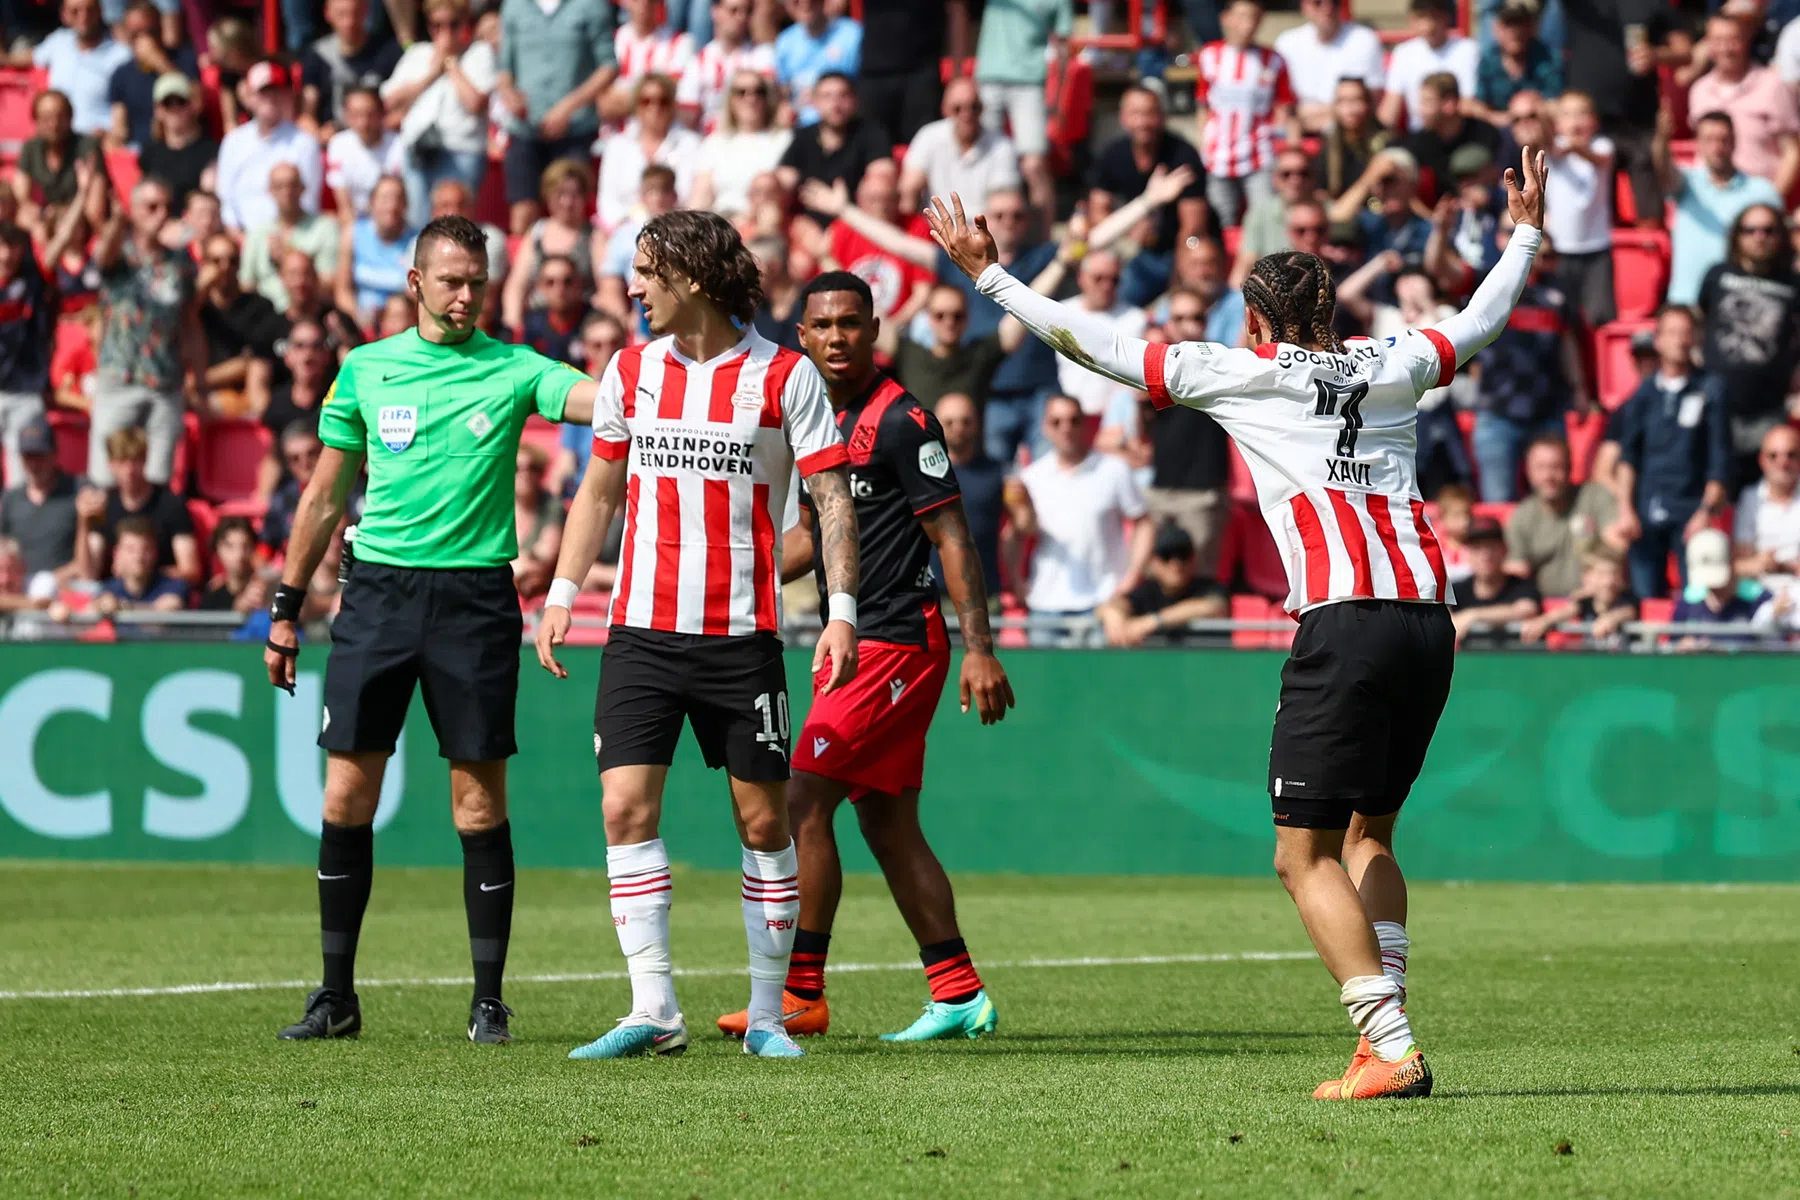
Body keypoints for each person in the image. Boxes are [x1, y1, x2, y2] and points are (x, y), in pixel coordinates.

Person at [924, 141, 1557, 1099]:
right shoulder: (1395, 362)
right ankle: (1384, 1033)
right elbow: (1483, 317)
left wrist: (989, 274)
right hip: (1429, 620)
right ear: (1333, 312)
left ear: (1257, 320)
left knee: (1298, 853)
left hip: (1344, 621)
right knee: (1370, 838)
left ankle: (1388, 1046)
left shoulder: (1241, 371)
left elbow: (1089, 342)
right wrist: (1525, 232)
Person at [264, 213, 602, 1046]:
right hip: (376, 597)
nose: (465, 297)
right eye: (450, 281)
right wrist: (284, 607)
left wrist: (679, 367)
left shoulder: (516, 368)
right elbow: (323, 497)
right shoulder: (365, 370)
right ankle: (335, 996)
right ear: (414, 283)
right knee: (347, 795)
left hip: (475, 603)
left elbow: (603, 401)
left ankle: (489, 1001)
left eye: (477, 283)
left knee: (476, 805)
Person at [534, 210, 859, 1063]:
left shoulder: (784, 378)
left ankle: (764, 1017)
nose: (632, 289)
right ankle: (654, 1009)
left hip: (741, 637)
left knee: (762, 826)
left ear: (695, 278)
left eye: (646, 272)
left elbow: (830, 502)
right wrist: (564, 590)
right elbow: (599, 492)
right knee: (623, 807)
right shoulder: (630, 370)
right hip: (639, 629)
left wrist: (842, 612)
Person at [713, 269, 1013, 1041]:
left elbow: (953, 537)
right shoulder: (811, 419)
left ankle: (800, 991)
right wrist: (735, 569)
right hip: (863, 641)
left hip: (898, 641)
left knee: (801, 802)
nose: (838, 337)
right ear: (802, 335)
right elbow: (818, 535)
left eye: (852, 323)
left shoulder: (905, 421)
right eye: (823, 326)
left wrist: (980, 648)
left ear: (875, 330)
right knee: (887, 822)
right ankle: (958, 992)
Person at [1611, 305, 1729, 601]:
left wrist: (1705, 512)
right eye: (1672, 332)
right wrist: (1625, 508)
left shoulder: (1711, 388)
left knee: (1698, 597)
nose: (1679, 340)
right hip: (1646, 510)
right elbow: (1628, 457)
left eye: (1686, 332)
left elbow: (1719, 459)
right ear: (1658, 339)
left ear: (1696, 338)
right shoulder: (1643, 394)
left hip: (1691, 511)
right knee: (1644, 599)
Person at [88, 175, 200, 490]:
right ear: (134, 211)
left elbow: (190, 322)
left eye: (166, 206)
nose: (161, 213)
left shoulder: (181, 261)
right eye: (151, 206)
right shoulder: (120, 254)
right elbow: (101, 258)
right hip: (119, 378)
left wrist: (199, 381)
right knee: (105, 480)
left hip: (165, 383)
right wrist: (116, 223)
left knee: (158, 483)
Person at [1008, 394, 1149, 633]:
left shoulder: (1114, 470)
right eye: (1057, 422)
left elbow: (1144, 522)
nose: (1066, 428)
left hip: (1104, 603)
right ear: (1045, 427)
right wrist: (1016, 581)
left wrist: (1133, 575)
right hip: (1046, 603)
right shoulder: (1032, 477)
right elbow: (1015, 533)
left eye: (1074, 420)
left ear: (1085, 424)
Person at [1697, 203, 1800, 491]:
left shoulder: (1793, 284)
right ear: (1737, 236)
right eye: (1750, 229)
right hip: (1717, 406)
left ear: (1780, 236)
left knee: (1765, 496)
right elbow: (1698, 323)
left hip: (1768, 410)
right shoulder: (1717, 275)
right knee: (1716, 487)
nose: (1759, 236)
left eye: (1768, 230)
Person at [494, 0, 616, 236]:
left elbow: (608, 66)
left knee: (569, 212)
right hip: (525, 128)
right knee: (522, 215)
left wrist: (569, 107)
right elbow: (504, 69)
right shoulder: (514, 6)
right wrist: (510, 94)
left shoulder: (591, 6)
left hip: (574, 130)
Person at [1088, 85, 1210, 308]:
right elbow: (1097, 212)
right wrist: (1128, 237)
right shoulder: (1113, 155)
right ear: (1123, 118)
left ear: (1162, 116)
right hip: (1134, 253)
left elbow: (1193, 228)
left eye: (1150, 113)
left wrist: (1180, 277)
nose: (1143, 122)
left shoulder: (1183, 155)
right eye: (1136, 114)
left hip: (1178, 249)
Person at [382, 0, 496, 229]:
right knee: (419, 226)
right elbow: (389, 100)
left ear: (464, 24)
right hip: (418, 152)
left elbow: (475, 103)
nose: (445, 32)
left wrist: (452, 65)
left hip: (461, 151)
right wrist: (432, 74)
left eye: (453, 24)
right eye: (437, 25)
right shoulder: (417, 53)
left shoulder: (479, 53)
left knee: (456, 228)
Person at [1661, 111, 1785, 306]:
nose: (1717, 147)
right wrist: (1660, 139)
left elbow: (1782, 245)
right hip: (1687, 302)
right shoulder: (1686, 183)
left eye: (1723, 140)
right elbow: (1662, 170)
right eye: (1709, 139)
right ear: (1698, 143)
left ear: (1734, 142)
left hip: (1740, 304)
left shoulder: (1762, 191)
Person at [1194, 0, 1297, 229]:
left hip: (1259, 155)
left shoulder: (1273, 60)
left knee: (1267, 218)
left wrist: (1287, 147)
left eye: (1253, 17)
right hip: (1217, 156)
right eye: (1241, 16)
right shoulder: (1209, 56)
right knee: (1220, 221)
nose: (1247, 24)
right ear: (1226, 18)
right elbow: (1203, 105)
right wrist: (1203, 143)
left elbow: (1284, 110)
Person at [971, 0, 1064, 230]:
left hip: (1030, 82)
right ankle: (984, 232)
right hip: (988, 79)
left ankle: (1044, 240)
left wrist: (1056, 96)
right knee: (981, 159)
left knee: (1034, 165)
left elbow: (1062, 46)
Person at [1689, 13, 1800, 201]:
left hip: (1756, 203)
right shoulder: (1699, 91)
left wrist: (1770, 202)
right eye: (1718, 40)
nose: (1725, 48)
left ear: (1746, 41)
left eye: (1733, 40)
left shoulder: (1773, 86)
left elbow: (1792, 152)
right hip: (1711, 201)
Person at [215, 60, 324, 232]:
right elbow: (225, 200)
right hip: (242, 239)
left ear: (286, 95)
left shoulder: (304, 143)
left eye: (276, 91)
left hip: (292, 237)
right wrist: (240, 239)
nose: (270, 98)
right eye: (263, 92)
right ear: (249, 97)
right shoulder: (233, 141)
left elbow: (309, 202)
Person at [1504, 434, 1619, 597]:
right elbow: (1515, 571)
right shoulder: (1521, 516)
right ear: (1528, 471)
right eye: (1540, 468)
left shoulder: (1595, 497)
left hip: (1598, 602)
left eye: (1556, 467)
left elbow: (1618, 546)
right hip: (1544, 610)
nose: (1548, 476)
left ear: (1569, 467)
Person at [84, 425, 199, 583]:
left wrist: (140, 571)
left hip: (160, 594)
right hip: (113, 597)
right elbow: (89, 574)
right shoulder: (105, 506)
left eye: (135, 461)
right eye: (122, 462)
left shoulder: (171, 504)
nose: (129, 470)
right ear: (111, 465)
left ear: (145, 460)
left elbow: (190, 570)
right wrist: (82, 523)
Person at [776, 71, 893, 223]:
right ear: (814, 101)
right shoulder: (803, 136)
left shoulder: (872, 133)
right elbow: (783, 181)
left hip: (859, 223)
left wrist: (840, 208)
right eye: (827, 96)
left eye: (843, 96)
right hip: (807, 226)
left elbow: (883, 179)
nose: (835, 104)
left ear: (855, 100)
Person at [503, 159, 602, 335]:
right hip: (539, 321)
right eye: (560, 194)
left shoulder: (594, 235)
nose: (568, 202)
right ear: (548, 196)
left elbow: (607, 287)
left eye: (575, 195)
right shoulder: (536, 232)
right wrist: (514, 326)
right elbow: (517, 285)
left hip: (581, 323)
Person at [595, 74, 702, 236]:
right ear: (636, 105)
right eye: (646, 101)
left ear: (672, 105)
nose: (655, 107)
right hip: (626, 231)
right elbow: (607, 201)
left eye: (662, 101)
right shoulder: (617, 146)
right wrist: (628, 228)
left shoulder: (691, 144)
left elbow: (694, 199)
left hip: (678, 232)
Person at [898, 79, 1020, 220]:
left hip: (984, 231)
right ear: (945, 110)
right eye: (958, 108)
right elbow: (909, 187)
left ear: (982, 109)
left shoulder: (1002, 146)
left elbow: (1003, 204)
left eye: (974, 107)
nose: (966, 114)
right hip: (937, 230)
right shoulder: (928, 136)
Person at [1541, 91, 1613, 327]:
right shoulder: (1553, 148)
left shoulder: (1602, 145)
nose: (1575, 121)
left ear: (1595, 121)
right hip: (1559, 250)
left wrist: (1573, 146)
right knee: (1563, 319)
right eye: (1568, 114)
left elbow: (1599, 160)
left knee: (1599, 317)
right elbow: (1545, 140)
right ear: (1557, 123)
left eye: (1582, 114)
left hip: (1597, 249)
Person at [1097, 522, 1228, 646]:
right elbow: (1116, 604)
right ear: (1153, 561)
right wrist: (1113, 615)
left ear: (1193, 558)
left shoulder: (1209, 587)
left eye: (1183, 555)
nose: (1175, 565)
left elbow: (1213, 606)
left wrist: (1150, 623)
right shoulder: (1147, 590)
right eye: (1166, 556)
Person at [854, 0, 964, 146]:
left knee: (924, 147)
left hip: (921, 73)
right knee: (872, 150)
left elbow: (957, 11)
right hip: (874, 73)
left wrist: (957, 75)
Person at [197, 233, 284, 417]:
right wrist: (200, 289)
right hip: (203, 397)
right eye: (216, 261)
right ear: (204, 264)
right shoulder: (197, 310)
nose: (225, 267)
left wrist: (200, 380)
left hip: (247, 393)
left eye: (232, 260)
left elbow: (252, 360)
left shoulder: (259, 306)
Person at [689, 71, 792, 219]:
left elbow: (784, 194)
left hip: (765, 225)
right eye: (741, 92)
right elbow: (700, 197)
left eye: (758, 92)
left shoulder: (784, 140)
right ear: (731, 99)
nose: (751, 99)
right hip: (721, 224)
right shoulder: (714, 143)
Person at [1273, 0, 1385, 134]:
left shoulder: (1364, 39)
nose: (1327, 8)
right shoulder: (1287, 42)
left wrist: (1314, 116)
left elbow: (1371, 98)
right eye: (1318, 2)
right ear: (1304, 5)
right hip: (1295, 130)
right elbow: (1278, 103)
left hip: (1347, 132)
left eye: (1335, 2)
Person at [0, 415, 87, 587]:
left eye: (39, 456)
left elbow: (93, 552)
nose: (34, 464)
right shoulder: (12, 498)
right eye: (28, 456)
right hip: (20, 588)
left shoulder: (78, 489)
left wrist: (48, 582)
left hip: (68, 586)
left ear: (54, 454)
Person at [241, 162, 341, 311]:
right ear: (270, 191)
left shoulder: (325, 228)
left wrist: (287, 259)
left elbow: (328, 286)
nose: (286, 191)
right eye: (279, 186)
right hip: (266, 315)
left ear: (303, 188)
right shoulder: (256, 234)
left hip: (310, 312)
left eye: (292, 184)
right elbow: (246, 285)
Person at [0, 223, 57, 481]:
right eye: (1, 246)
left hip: (24, 390)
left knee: (21, 480)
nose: (6, 255)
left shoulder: (33, 281)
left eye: (13, 246)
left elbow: (57, 251)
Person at [930, 392, 1003, 594]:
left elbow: (1022, 526)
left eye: (965, 421)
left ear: (977, 423)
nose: (958, 428)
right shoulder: (919, 475)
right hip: (930, 594)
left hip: (983, 591)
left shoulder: (996, 473)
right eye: (949, 422)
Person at [13, 90, 106, 241]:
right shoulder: (31, 147)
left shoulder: (87, 147)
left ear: (70, 118)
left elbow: (95, 211)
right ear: (36, 121)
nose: (54, 124)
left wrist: (59, 214)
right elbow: (21, 198)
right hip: (47, 220)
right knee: (24, 218)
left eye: (60, 117)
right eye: (46, 118)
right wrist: (41, 217)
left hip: (79, 221)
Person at [596, 164, 679, 332]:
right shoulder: (626, 234)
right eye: (651, 192)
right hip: (641, 311)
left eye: (664, 191)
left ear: (674, 195)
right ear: (642, 197)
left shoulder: (688, 234)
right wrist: (623, 319)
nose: (658, 198)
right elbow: (610, 283)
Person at [677, 0, 777, 136]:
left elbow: (770, 104)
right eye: (733, 10)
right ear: (715, 12)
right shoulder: (698, 62)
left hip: (752, 138)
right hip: (709, 143)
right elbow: (687, 115)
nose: (741, 17)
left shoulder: (762, 56)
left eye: (746, 12)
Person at [32, 0, 132, 136]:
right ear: (64, 15)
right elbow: (30, 56)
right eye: (75, 11)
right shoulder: (57, 42)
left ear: (100, 12)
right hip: (57, 138)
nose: (83, 17)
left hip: (98, 140)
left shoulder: (121, 55)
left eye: (89, 10)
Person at [299, 0, 401, 130]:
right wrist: (318, 134)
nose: (349, 21)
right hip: (332, 139)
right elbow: (307, 114)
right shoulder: (317, 55)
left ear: (366, 11)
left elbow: (399, 108)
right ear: (327, 14)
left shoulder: (389, 51)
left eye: (355, 13)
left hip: (377, 136)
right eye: (342, 14)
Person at [1381, 0, 1479, 133]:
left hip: (1457, 136)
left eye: (1434, 17)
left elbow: (1467, 104)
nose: (1429, 26)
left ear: (1447, 17)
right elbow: (1390, 108)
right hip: (1418, 136)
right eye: (1422, 17)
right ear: (1412, 19)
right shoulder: (1403, 52)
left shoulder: (1468, 50)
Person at [1673, 527, 1776, 650]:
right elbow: (1672, 646)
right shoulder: (1688, 601)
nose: (1714, 587)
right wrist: (1682, 648)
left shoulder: (1759, 598)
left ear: (1732, 562)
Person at [334, 175, 416, 327]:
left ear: (406, 205)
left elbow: (417, 297)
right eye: (385, 199)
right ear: (372, 203)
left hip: (401, 324)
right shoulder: (352, 234)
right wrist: (359, 315)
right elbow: (342, 292)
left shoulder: (417, 242)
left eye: (397, 199)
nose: (391, 206)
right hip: (361, 322)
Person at [1449, 513, 1539, 644]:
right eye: (1477, 548)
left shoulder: (1522, 586)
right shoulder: (1455, 591)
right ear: (1467, 553)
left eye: (1492, 547)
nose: (1485, 555)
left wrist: (1472, 616)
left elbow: (1527, 609)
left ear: (1504, 550)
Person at [1733, 424, 1800, 593]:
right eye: (1773, 456)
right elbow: (1739, 565)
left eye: (1791, 455)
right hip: (1760, 594)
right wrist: (1760, 564)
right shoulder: (1750, 499)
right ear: (1762, 460)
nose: (1782, 462)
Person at [1520, 546, 1637, 643]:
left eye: (1615, 574)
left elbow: (1628, 612)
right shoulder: (1585, 602)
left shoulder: (1628, 599)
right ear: (1586, 577)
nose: (1608, 582)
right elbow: (1566, 611)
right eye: (1601, 575)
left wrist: (1611, 619)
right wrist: (1543, 621)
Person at [1470, 0, 1561, 123]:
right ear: (1497, 29)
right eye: (1508, 24)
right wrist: (1504, 119)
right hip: (1499, 130)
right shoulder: (1488, 60)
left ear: (1531, 27)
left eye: (1520, 24)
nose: (1515, 31)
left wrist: (1529, 109)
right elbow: (1477, 105)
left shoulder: (1548, 57)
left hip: (1538, 127)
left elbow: (1557, 102)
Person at [137, 74, 218, 209]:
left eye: (181, 101)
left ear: (192, 105)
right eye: (168, 103)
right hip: (160, 224)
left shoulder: (211, 151)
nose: (175, 109)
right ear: (158, 109)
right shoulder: (149, 154)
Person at [775, 0, 862, 126]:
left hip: (845, 125)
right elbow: (784, 92)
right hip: (802, 127)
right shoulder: (785, 41)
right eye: (796, 1)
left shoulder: (852, 34)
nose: (805, 4)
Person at [324, 87, 394, 223]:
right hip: (355, 223)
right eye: (356, 115)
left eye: (370, 114)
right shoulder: (338, 145)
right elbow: (344, 205)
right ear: (346, 116)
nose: (364, 122)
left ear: (381, 113)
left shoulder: (399, 145)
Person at [1320, 78, 1395, 200]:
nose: (1350, 109)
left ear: (1369, 104)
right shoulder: (1329, 143)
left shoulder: (1387, 142)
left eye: (1356, 100)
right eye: (1343, 101)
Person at [96, 515, 187, 614]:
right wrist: (99, 606)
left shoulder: (173, 587)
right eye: (131, 549)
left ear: (155, 553)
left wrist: (123, 607)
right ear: (117, 553)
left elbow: (168, 609)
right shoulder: (108, 589)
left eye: (146, 549)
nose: (139, 557)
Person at [521, 255, 595, 366]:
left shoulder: (595, 323)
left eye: (567, 281)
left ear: (579, 283)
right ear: (540, 287)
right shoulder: (531, 326)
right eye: (550, 282)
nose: (560, 290)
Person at [511, 442, 561, 597]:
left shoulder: (551, 506)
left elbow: (547, 555)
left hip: (538, 585)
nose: (524, 474)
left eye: (533, 468)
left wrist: (514, 566)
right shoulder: (497, 507)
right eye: (516, 468)